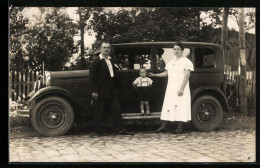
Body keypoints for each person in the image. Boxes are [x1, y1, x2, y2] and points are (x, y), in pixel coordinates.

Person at [149, 42, 194, 134]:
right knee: (168, 105)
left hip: (181, 87)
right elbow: (166, 73)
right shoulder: (172, 61)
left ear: (182, 50)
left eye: (178, 49)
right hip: (171, 87)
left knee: (180, 105)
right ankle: (163, 126)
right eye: (174, 49)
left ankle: (179, 127)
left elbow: (186, 75)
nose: (176, 51)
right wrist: (155, 75)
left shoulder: (186, 61)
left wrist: (181, 88)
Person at [89, 42, 133, 136]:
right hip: (101, 89)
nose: (106, 49)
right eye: (104, 47)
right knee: (100, 110)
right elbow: (92, 77)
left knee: (116, 109)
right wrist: (94, 91)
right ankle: (99, 131)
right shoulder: (96, 61)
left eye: (108, 48)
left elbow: (114, 73)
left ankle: (120, 129)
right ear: (101, 49)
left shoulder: (111, 60)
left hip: (112, 88)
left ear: (110, 49)